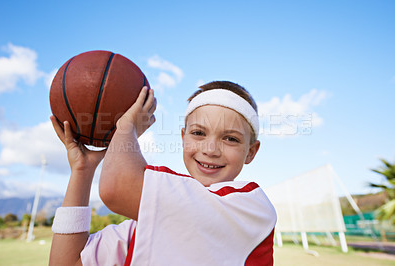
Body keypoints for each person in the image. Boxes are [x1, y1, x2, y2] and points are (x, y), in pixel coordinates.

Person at [49, 81, 277, 266]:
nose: (210, 150)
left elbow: (115, 187)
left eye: (231, 138)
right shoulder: (141, 225)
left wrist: (126, 127)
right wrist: (82, 170)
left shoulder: (251, 208)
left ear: (251, 151)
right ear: (183, 138)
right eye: (198, 133)